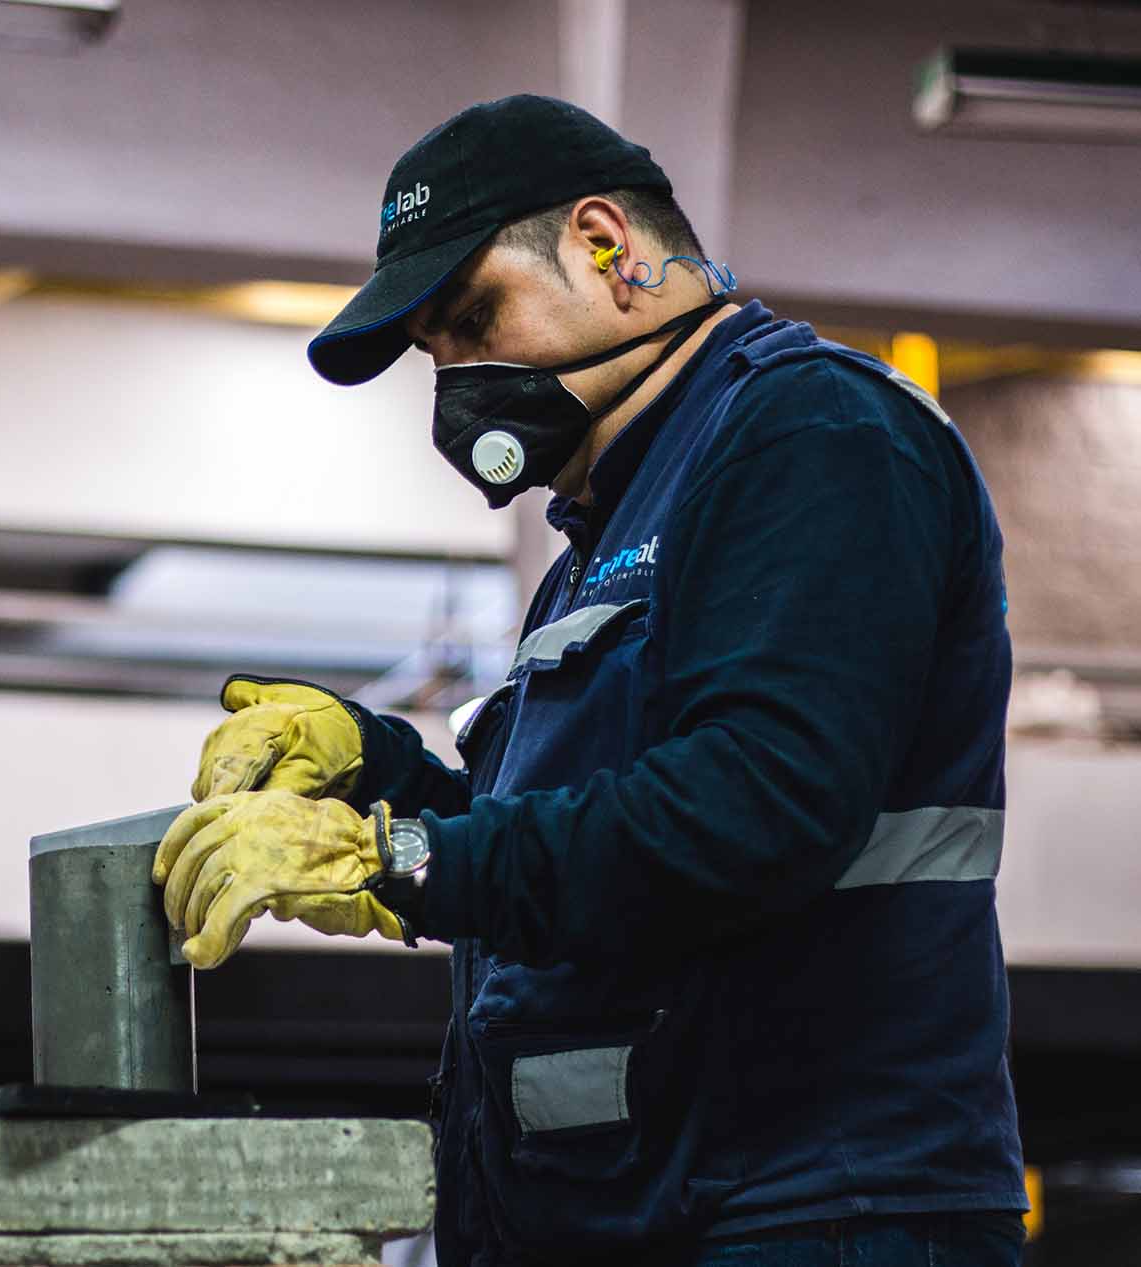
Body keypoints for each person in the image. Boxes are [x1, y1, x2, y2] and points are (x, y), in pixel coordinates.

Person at [151, 95, 1028, 1267]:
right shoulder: (605, 537)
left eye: (473, 318)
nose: (455, 380)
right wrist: (380, 769)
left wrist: (397, 858)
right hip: (644, 1209)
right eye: (435, 354)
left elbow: (755, 807)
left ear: (607, 246)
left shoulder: (815, 437)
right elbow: (583, 850)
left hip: (808, 1207)